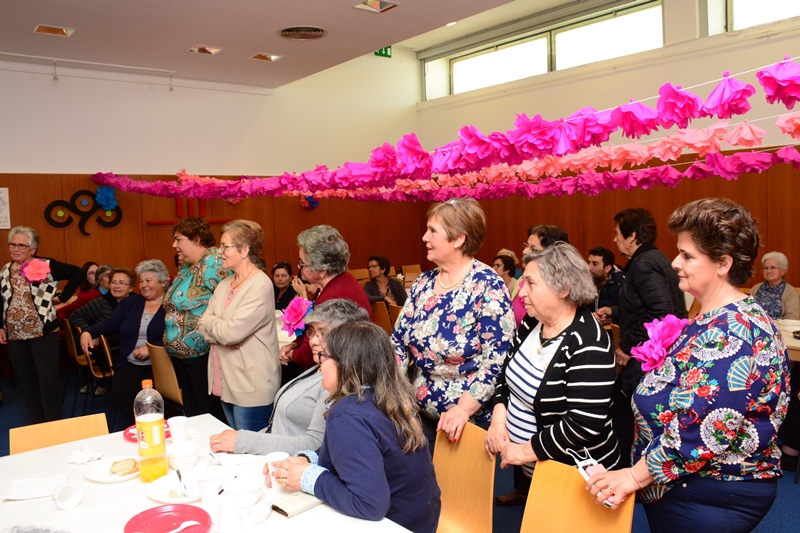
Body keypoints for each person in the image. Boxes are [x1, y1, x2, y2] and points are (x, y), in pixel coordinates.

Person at [587, 198, 789, 533]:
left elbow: (702, 431)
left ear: (723, 263)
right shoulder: (714, 318)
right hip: (688, 486)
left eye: (687, 255)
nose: (675, 263)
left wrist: (633, 477)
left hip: (705, 491)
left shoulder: (732, 332)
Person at [268, 322, 441, 533]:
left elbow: (370, 504)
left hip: (393, 525)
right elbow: (358, 453)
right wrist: (309, 459)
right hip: (421, 519)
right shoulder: (387, 397)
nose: (320, 366)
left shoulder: (347, 415)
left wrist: (308, 477)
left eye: (323, 357)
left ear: (345, 365)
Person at [487, 243, 619, 506]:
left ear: (563, 289)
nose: (521, 292)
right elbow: (505, 374)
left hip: (574, 477)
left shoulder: (589, 343)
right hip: (533, 470)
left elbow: (582, 425)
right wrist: (499, 419)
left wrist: (524, 450)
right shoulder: (533, 321)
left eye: (531, 284)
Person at [392, 198, 515, 451]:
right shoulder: (423, 283)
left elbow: (497, 363)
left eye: (433, 231)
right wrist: (395, 393)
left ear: (459, 239)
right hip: (418, 418)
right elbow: (398, 343)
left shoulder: (487, 286)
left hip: (470, 425)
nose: (425, 237)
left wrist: (462, 410)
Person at [209, 299, 369, 455]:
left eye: (323, 334)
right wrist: (244, 439)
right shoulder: (318, 368)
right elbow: (278, 427)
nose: (313, 341)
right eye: (313, 332)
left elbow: (316, 445)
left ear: (347, 338)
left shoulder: (336, 382)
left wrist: (242, 441)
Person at [596, 208, 686, 467]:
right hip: (653, 351)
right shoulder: (651, 258)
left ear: (632, 235)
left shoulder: (644, 264)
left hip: (651, 355)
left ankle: (624, 470)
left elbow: (661, 311)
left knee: (623, 410)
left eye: (617, 234)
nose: (615, 240)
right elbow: (645, 304)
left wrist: (627, 345)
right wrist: (614, 312)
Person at [198, 219, 280, 432]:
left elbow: (230, 332)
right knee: (237, 447)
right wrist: (223, 331)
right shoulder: (225, 283)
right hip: (226, 382)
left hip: (251, 385)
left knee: (251, 452)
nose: (220, 252)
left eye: (225, 246)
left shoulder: (260, 285)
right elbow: (202, 324)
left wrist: (221, 330)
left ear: (244, 250)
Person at [0, 226, 83, 423]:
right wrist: (1, 326)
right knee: (26, 380)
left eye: (21, 245)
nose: (16, 249)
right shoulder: (5, 269)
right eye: (13, 244)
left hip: (43, 332)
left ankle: (54, 420)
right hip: (15, 334)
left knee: (48, 379)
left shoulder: (45, 265)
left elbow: (77, 273)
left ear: (33, 249)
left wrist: (62, 297)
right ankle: (36, 420)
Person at [80, 260, 169, 427]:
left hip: (160, 364)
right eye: (141, 281)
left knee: (160, 399)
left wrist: (152, 347)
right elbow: (111, 323)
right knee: (121, 392)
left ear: (163, 282)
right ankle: (141, 427)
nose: (143, 285)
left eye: (148, 280)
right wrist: (89, 332)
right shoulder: (131, 303)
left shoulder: (172, 305)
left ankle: (158, 428)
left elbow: (175, 335)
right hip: (131, 361)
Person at [279, 225, 372, 381]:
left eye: (302, 264)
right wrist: (294, 345)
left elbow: (310, 355)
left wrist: (287, 354)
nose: (298, 267)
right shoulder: (333, 284)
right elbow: (313, 333)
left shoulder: (334, 297)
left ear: (321, 269)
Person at [164, 217, 227, 420]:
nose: (174, 245)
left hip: (205, 356)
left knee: (209, 413)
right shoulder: (189, 266)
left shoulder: (215, 262)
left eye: (179, 239)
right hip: (186, 358)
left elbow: (230, 301)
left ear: (196, 239)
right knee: (195, 414)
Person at [69, 266, 136, 396]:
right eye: (113, 282)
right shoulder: (101, 302)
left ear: (131, 287)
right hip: (108, 352)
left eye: (121, 283)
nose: (116, 286)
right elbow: (74, 316)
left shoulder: (137, 302)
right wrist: (91, 332)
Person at [512, 224, 570, 325]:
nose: (524, 251)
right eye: (526, 246)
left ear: (553, 254)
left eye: (534, 249)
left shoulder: (555, 286)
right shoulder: (521, 279)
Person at [750, 251, 800, 320]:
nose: (768, 271)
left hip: (780, 329)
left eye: (773, 267)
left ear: (783, 271)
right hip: (755, 328)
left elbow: (793, 318)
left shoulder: (791, 292)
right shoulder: (756, 288)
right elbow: (747, 309)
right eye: (766, 268)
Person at [586, 246, 625, 318]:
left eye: (595, 264)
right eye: (589, 263)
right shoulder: (585, 281)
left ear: (608, 268)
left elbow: (627, 311)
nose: (589, 267)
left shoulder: (621, 283)